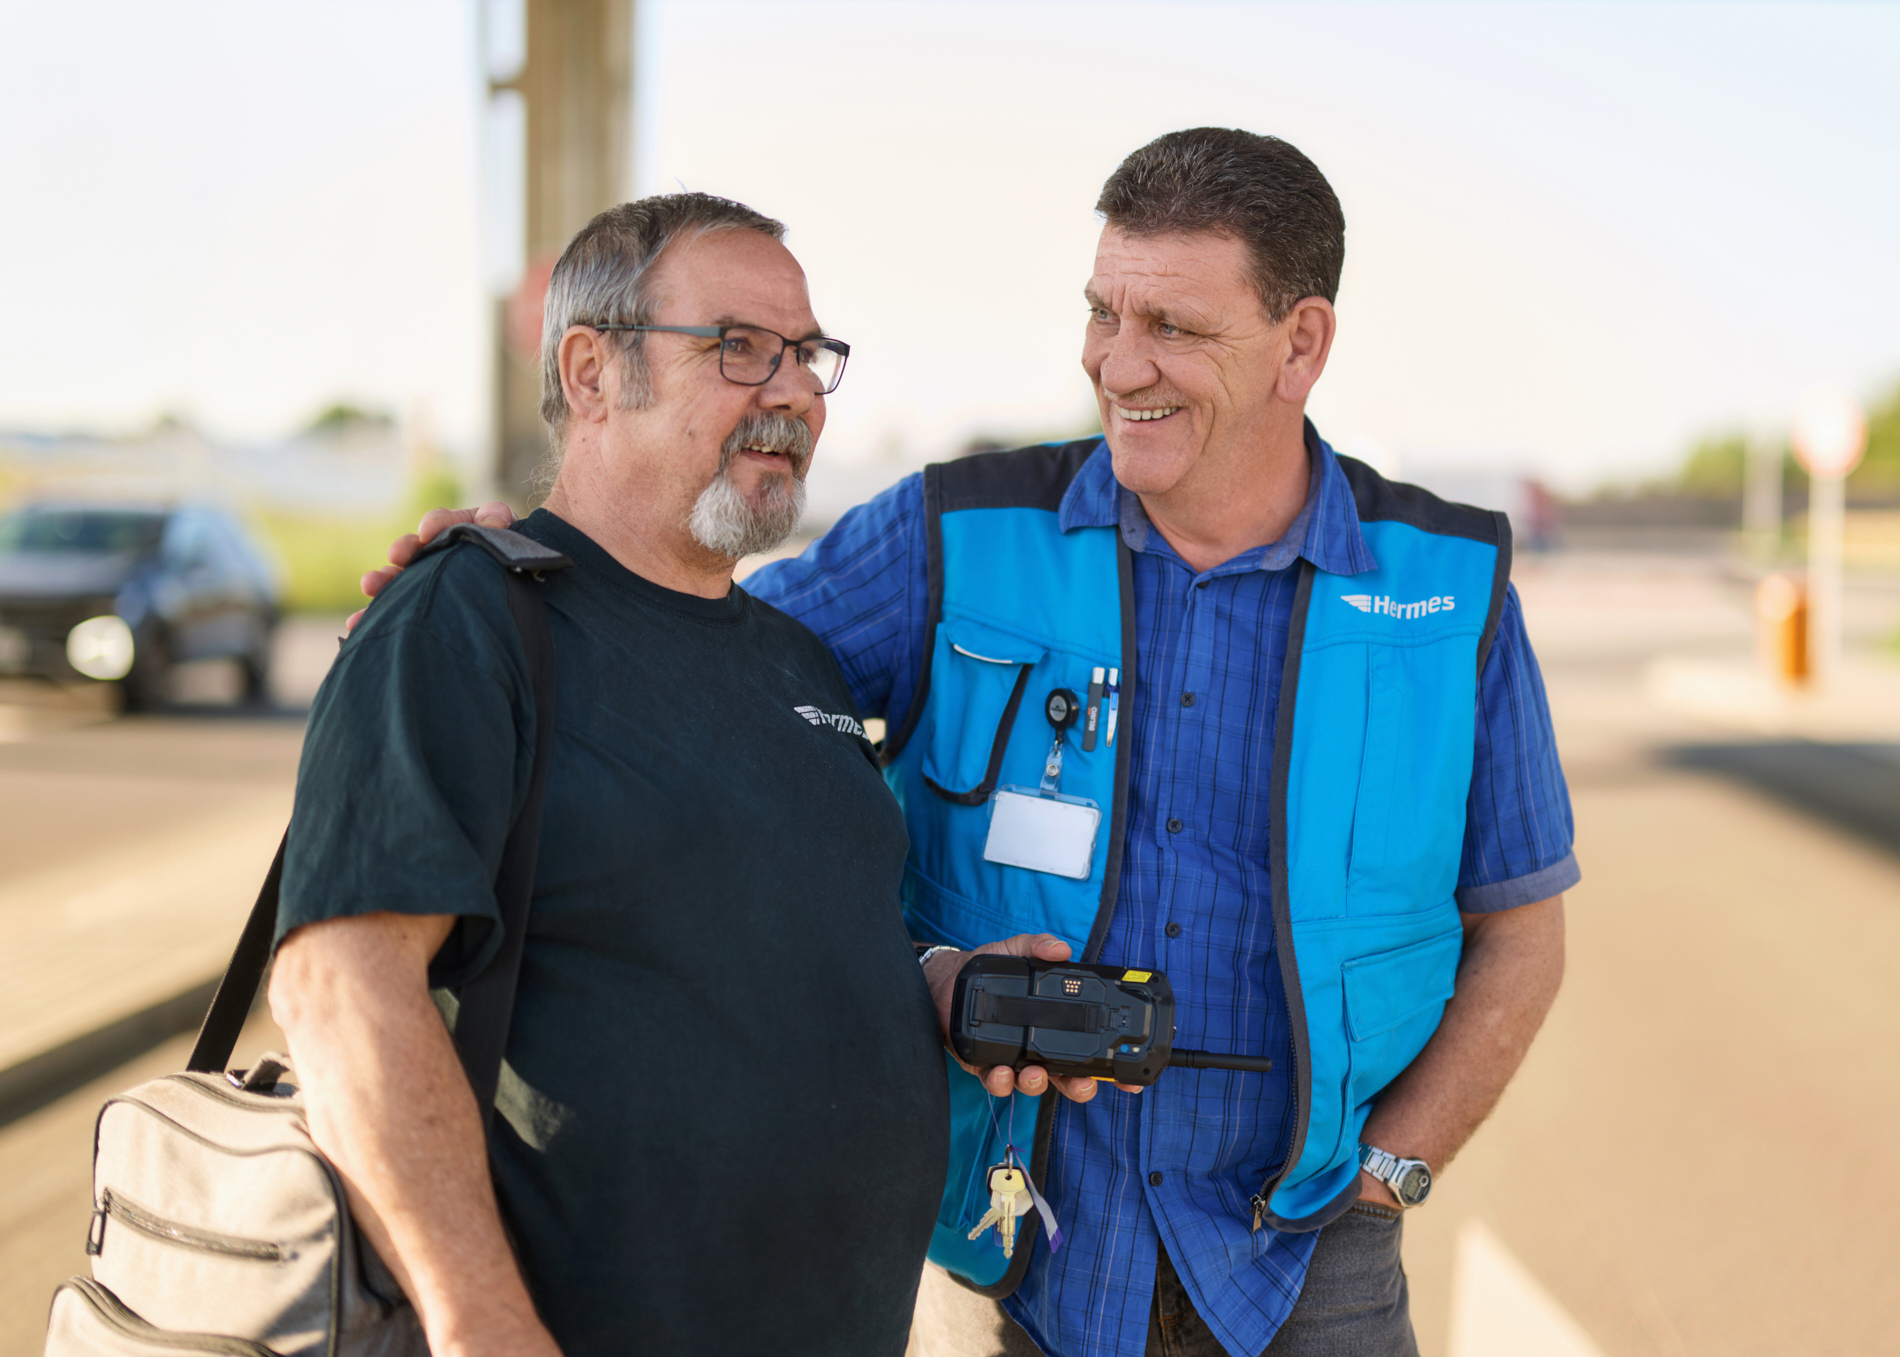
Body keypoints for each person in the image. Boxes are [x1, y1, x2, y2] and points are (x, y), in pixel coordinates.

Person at [375, 129, 1576, 1357]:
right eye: (1102, 313)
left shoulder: (1450, 588)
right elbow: (685, 669)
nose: (1118, 362)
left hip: (1310, 1268)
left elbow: (1522, 928)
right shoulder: (951, 537)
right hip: (1012, 1259)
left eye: (1172, 326)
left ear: (1301, 344)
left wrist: (1392, 1173)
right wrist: (530, 574)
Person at [271, 192, 986, 1357]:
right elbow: (338, 987)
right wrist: (482, 1325)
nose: (795, 392)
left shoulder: (798, 660)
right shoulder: (469, 621)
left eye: (807, 354)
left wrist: (935, 983)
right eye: (739, 346)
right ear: (592, 373)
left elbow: (758, 947)